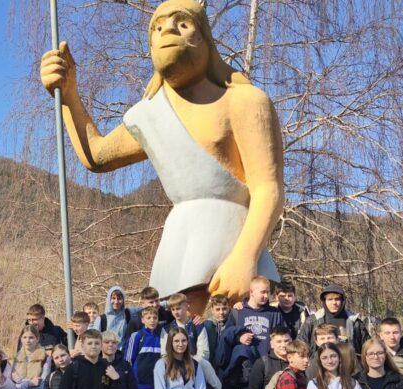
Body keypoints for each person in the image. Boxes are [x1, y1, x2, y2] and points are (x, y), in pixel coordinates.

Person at [40, 0, 283, 315]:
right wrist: (68, 94)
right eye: (157, 27)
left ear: (206, 39)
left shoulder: (245, 101)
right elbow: (96, 156)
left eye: (182, 23)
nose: (168, 30)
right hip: (182, 241)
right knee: (182, 333)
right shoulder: (149, 115)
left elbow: (269, 188)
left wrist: (245, 256)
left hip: (235, 237)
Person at [226, 276, 284, 389]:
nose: (266, 296)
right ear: (251, 292)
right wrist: (239, 338)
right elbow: (227, 336)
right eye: (262, 292)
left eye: (268, 292)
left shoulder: (274, 313)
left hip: (269, 366)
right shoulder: (238, 312)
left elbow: (282, 335)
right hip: (247, 369)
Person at [299, 284, 369, 356]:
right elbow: (300, 346)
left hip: (348, 365)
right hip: (318, 365)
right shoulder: (312, 321)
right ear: (324, 301)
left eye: (337, 299)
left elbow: (367, 347)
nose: (334, 303)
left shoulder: (355, 323)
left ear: (342, 301)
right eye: (330, 299)